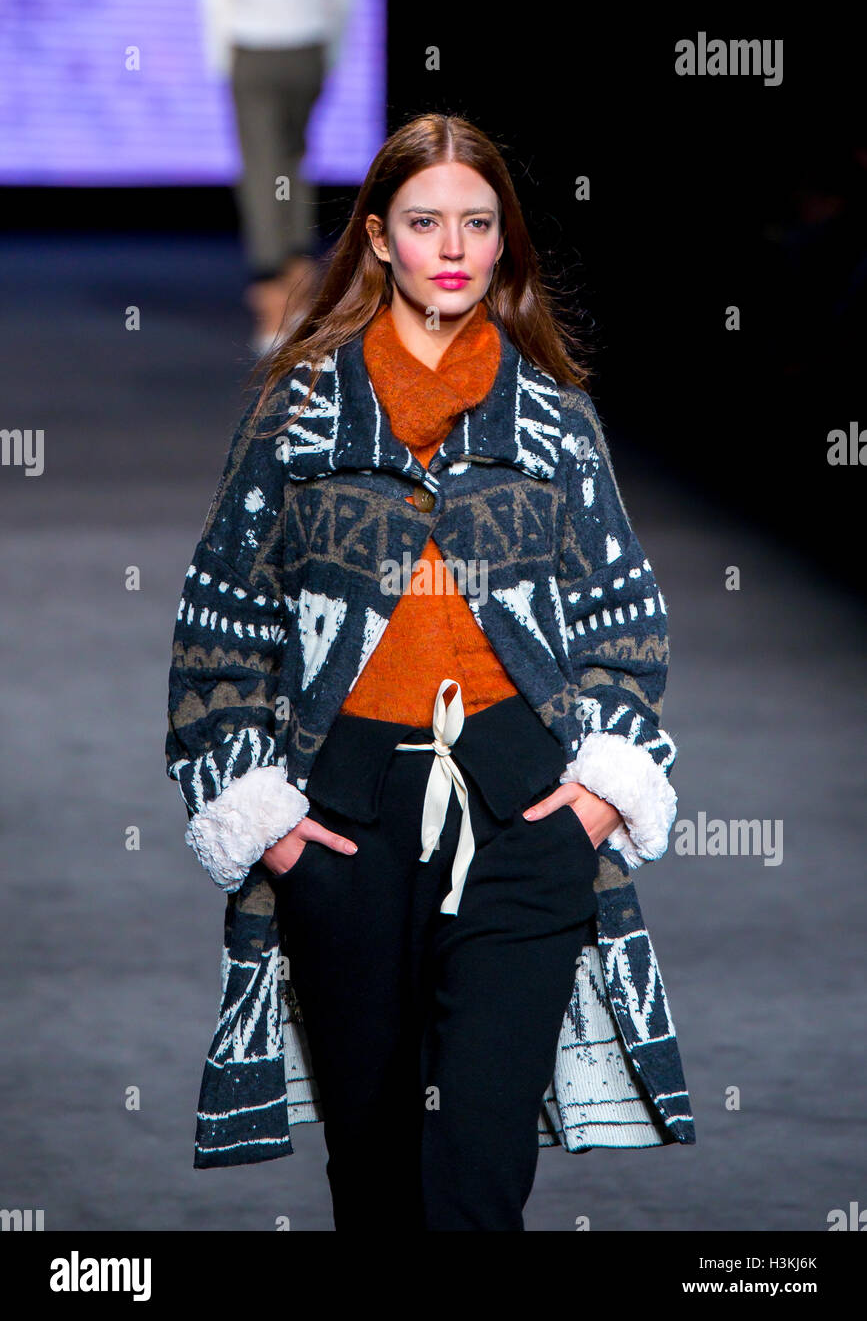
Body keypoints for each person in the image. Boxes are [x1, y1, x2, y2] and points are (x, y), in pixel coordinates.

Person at [165, 113, 696, 1232]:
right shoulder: (299, 417)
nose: (451, 247)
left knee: (477, 1176)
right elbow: (220, 627)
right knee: (376, 1179)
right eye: (424, 222)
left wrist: (596, 800)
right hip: (344, 821)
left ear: (504, 246)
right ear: (376, 240)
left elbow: (625, 621)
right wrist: (267, 823)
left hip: (522, 815)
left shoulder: (554, 419)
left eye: (477, 223)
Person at [197, 0, 352, 351]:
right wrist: (330, 56)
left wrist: (221, 61)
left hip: (253, 51)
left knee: (262, 170)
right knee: (292, 163)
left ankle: (272, 301)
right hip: (308, 50)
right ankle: (297, 288)